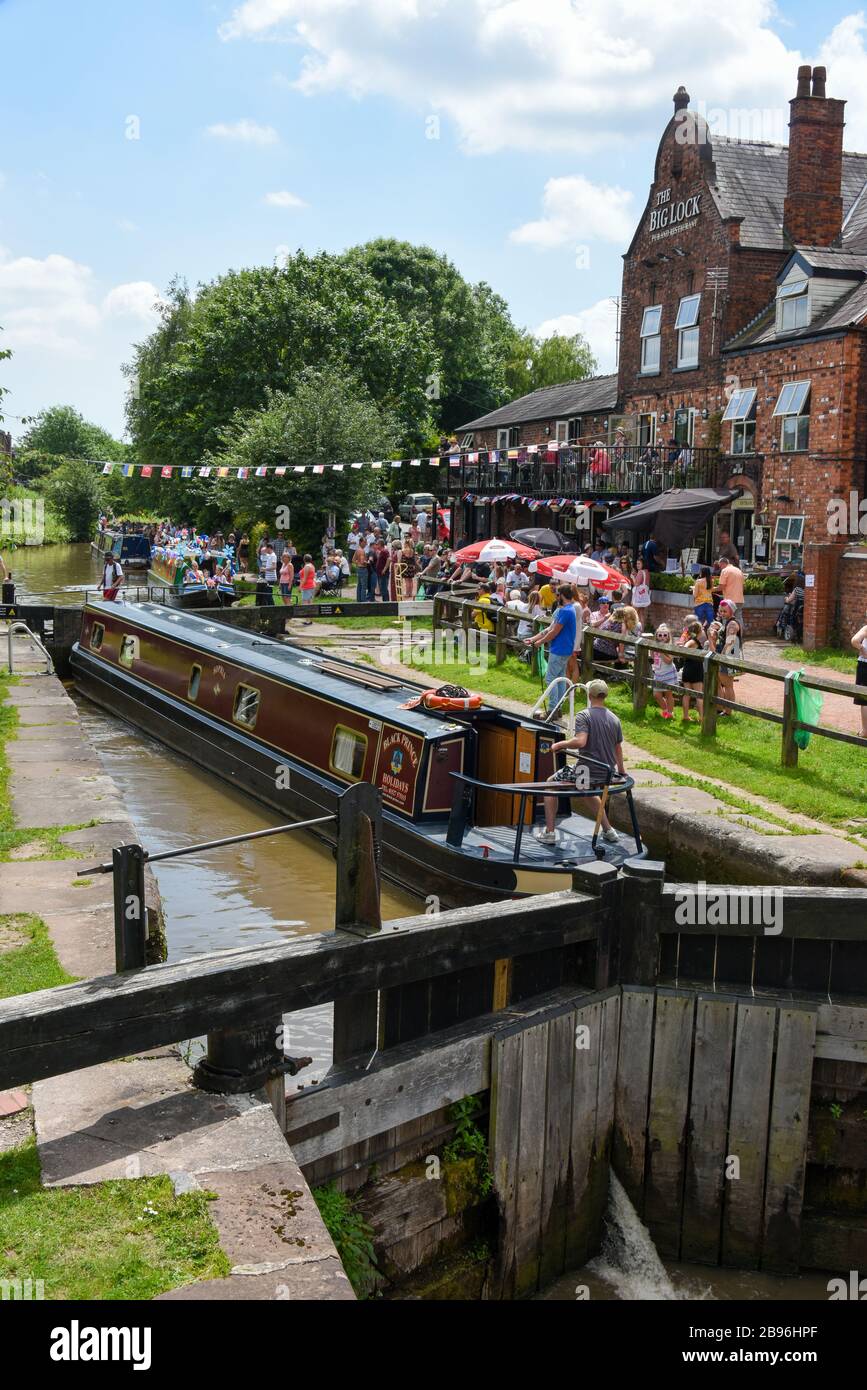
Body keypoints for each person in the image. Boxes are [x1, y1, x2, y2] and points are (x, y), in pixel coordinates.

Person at [537, 679, 625, 846]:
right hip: (606, 773)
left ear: (590, 695)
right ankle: (609, 831)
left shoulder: (584, 715)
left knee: (549, 784)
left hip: (587, 770)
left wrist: (560, 745)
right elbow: (618, 748)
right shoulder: (615, 719)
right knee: (587, 791)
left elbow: (580, 742)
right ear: (604, 695)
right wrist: (621, 770)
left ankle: (549, 833)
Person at [526, 587, 577, 713]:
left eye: (557, 595)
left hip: (559, 649)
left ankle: (552, 709)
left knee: (550, 679)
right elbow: (550, 629)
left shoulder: (566, 611)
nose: (556, 597)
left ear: (562, 595)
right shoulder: (569, 609)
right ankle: (557, 708)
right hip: (565, 649)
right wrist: (533, 639)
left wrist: (540, 643)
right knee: (559, 679)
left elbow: (554, 632)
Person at [678, 617, 706, 722]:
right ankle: (702, 717)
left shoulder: (693, 641)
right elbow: (685, 647)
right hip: (695, 669)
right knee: (699, 694)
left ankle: (685, 716)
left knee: (687, 694)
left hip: (687, 668)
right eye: (702, 630)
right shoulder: (693, 642)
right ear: (699, 632)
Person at [651, 622, 678, 718]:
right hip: (658, 672)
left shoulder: (669, 647)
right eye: (660, 635)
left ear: (668, 637)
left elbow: (669, 661)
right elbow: (652, 658)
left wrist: (661, 652)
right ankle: (665, 709)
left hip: (668, 672)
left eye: (665, 635)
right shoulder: (654, 646)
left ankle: (670, 713)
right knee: (656, 694)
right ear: (656, 636)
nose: (662, 637)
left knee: (668, 694)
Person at [851, 609, 867, 739]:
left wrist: (861, 649)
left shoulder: (866, 628)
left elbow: (854, 640)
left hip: (865, 665)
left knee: (864, 699)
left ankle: (865, 731)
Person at [299, 553, 317, 622]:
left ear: (304, 559)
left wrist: (300, 587)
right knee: (310, 602)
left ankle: (307, 620)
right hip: (312, 585)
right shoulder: (312, 566)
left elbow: (305, 578)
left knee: (305, 603)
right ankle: (310, 619)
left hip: (307, 586)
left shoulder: (307, 567)